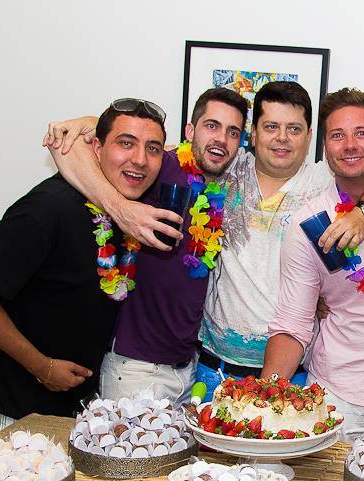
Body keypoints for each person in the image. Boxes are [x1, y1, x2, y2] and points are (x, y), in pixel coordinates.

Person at [0, 99, 166, 439]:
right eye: (126, 143)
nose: (140, 160)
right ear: (97, 148)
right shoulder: (47, 208)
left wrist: (87, 120)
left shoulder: (127, 213)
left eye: (153, 148)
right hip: (15, 408)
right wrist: (41, 366)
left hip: (76, 415)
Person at [45, 88, 248, 403]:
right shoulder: (161, 165)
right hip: (135, 369)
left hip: (187, 368)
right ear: (190, 131)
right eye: (212, 126)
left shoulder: (220, 188)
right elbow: (70, 148)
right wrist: (122, 209)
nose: (221, 139)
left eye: (232, 132)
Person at [263, 88, 364, 440]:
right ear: (325, 148)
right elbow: (292, 324)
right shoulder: (309, 224)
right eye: (337, 135)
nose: (350, 145)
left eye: (361, 133)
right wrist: (263, 398)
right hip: (340, 394)